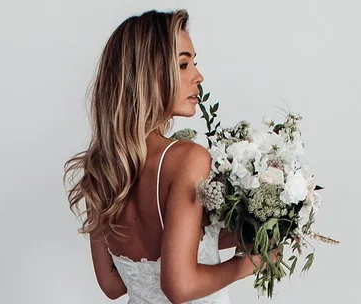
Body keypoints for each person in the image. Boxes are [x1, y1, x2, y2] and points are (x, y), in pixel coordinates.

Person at [64, 9, 277, 303]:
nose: (198, 76)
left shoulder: (101, 170)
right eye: (184, 64)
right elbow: (179, 286)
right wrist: (247, 264)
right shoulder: (187, 158)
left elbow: (113, 285)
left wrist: (258, 229)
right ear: (150, 74)